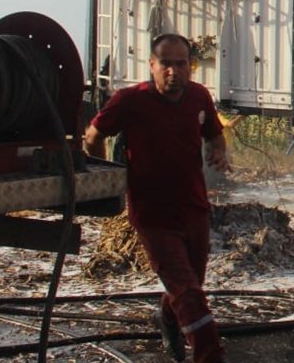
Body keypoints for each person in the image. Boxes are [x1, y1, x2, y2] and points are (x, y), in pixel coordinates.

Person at [84, 34, 229, 363]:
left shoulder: (199, 97)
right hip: (153, 215)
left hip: (193, 208)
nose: (173, 71)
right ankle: (211, 355)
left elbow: (215, 137)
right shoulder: (129, 101)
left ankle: (166, 320)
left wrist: (219, 153)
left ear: (189, 67)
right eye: (165, 63)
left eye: (181, 64)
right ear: (152, 65)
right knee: (189, 293)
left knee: (189, 285)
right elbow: (93, 137)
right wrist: (108, 178)